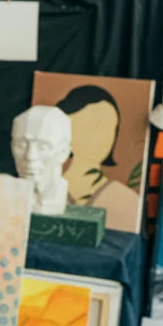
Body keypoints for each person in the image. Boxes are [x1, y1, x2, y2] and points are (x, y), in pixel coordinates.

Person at [55, 85, 138, 230]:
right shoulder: (46, 188)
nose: (102, 137)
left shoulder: (127, 199)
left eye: (110, 127)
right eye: (93, 125)